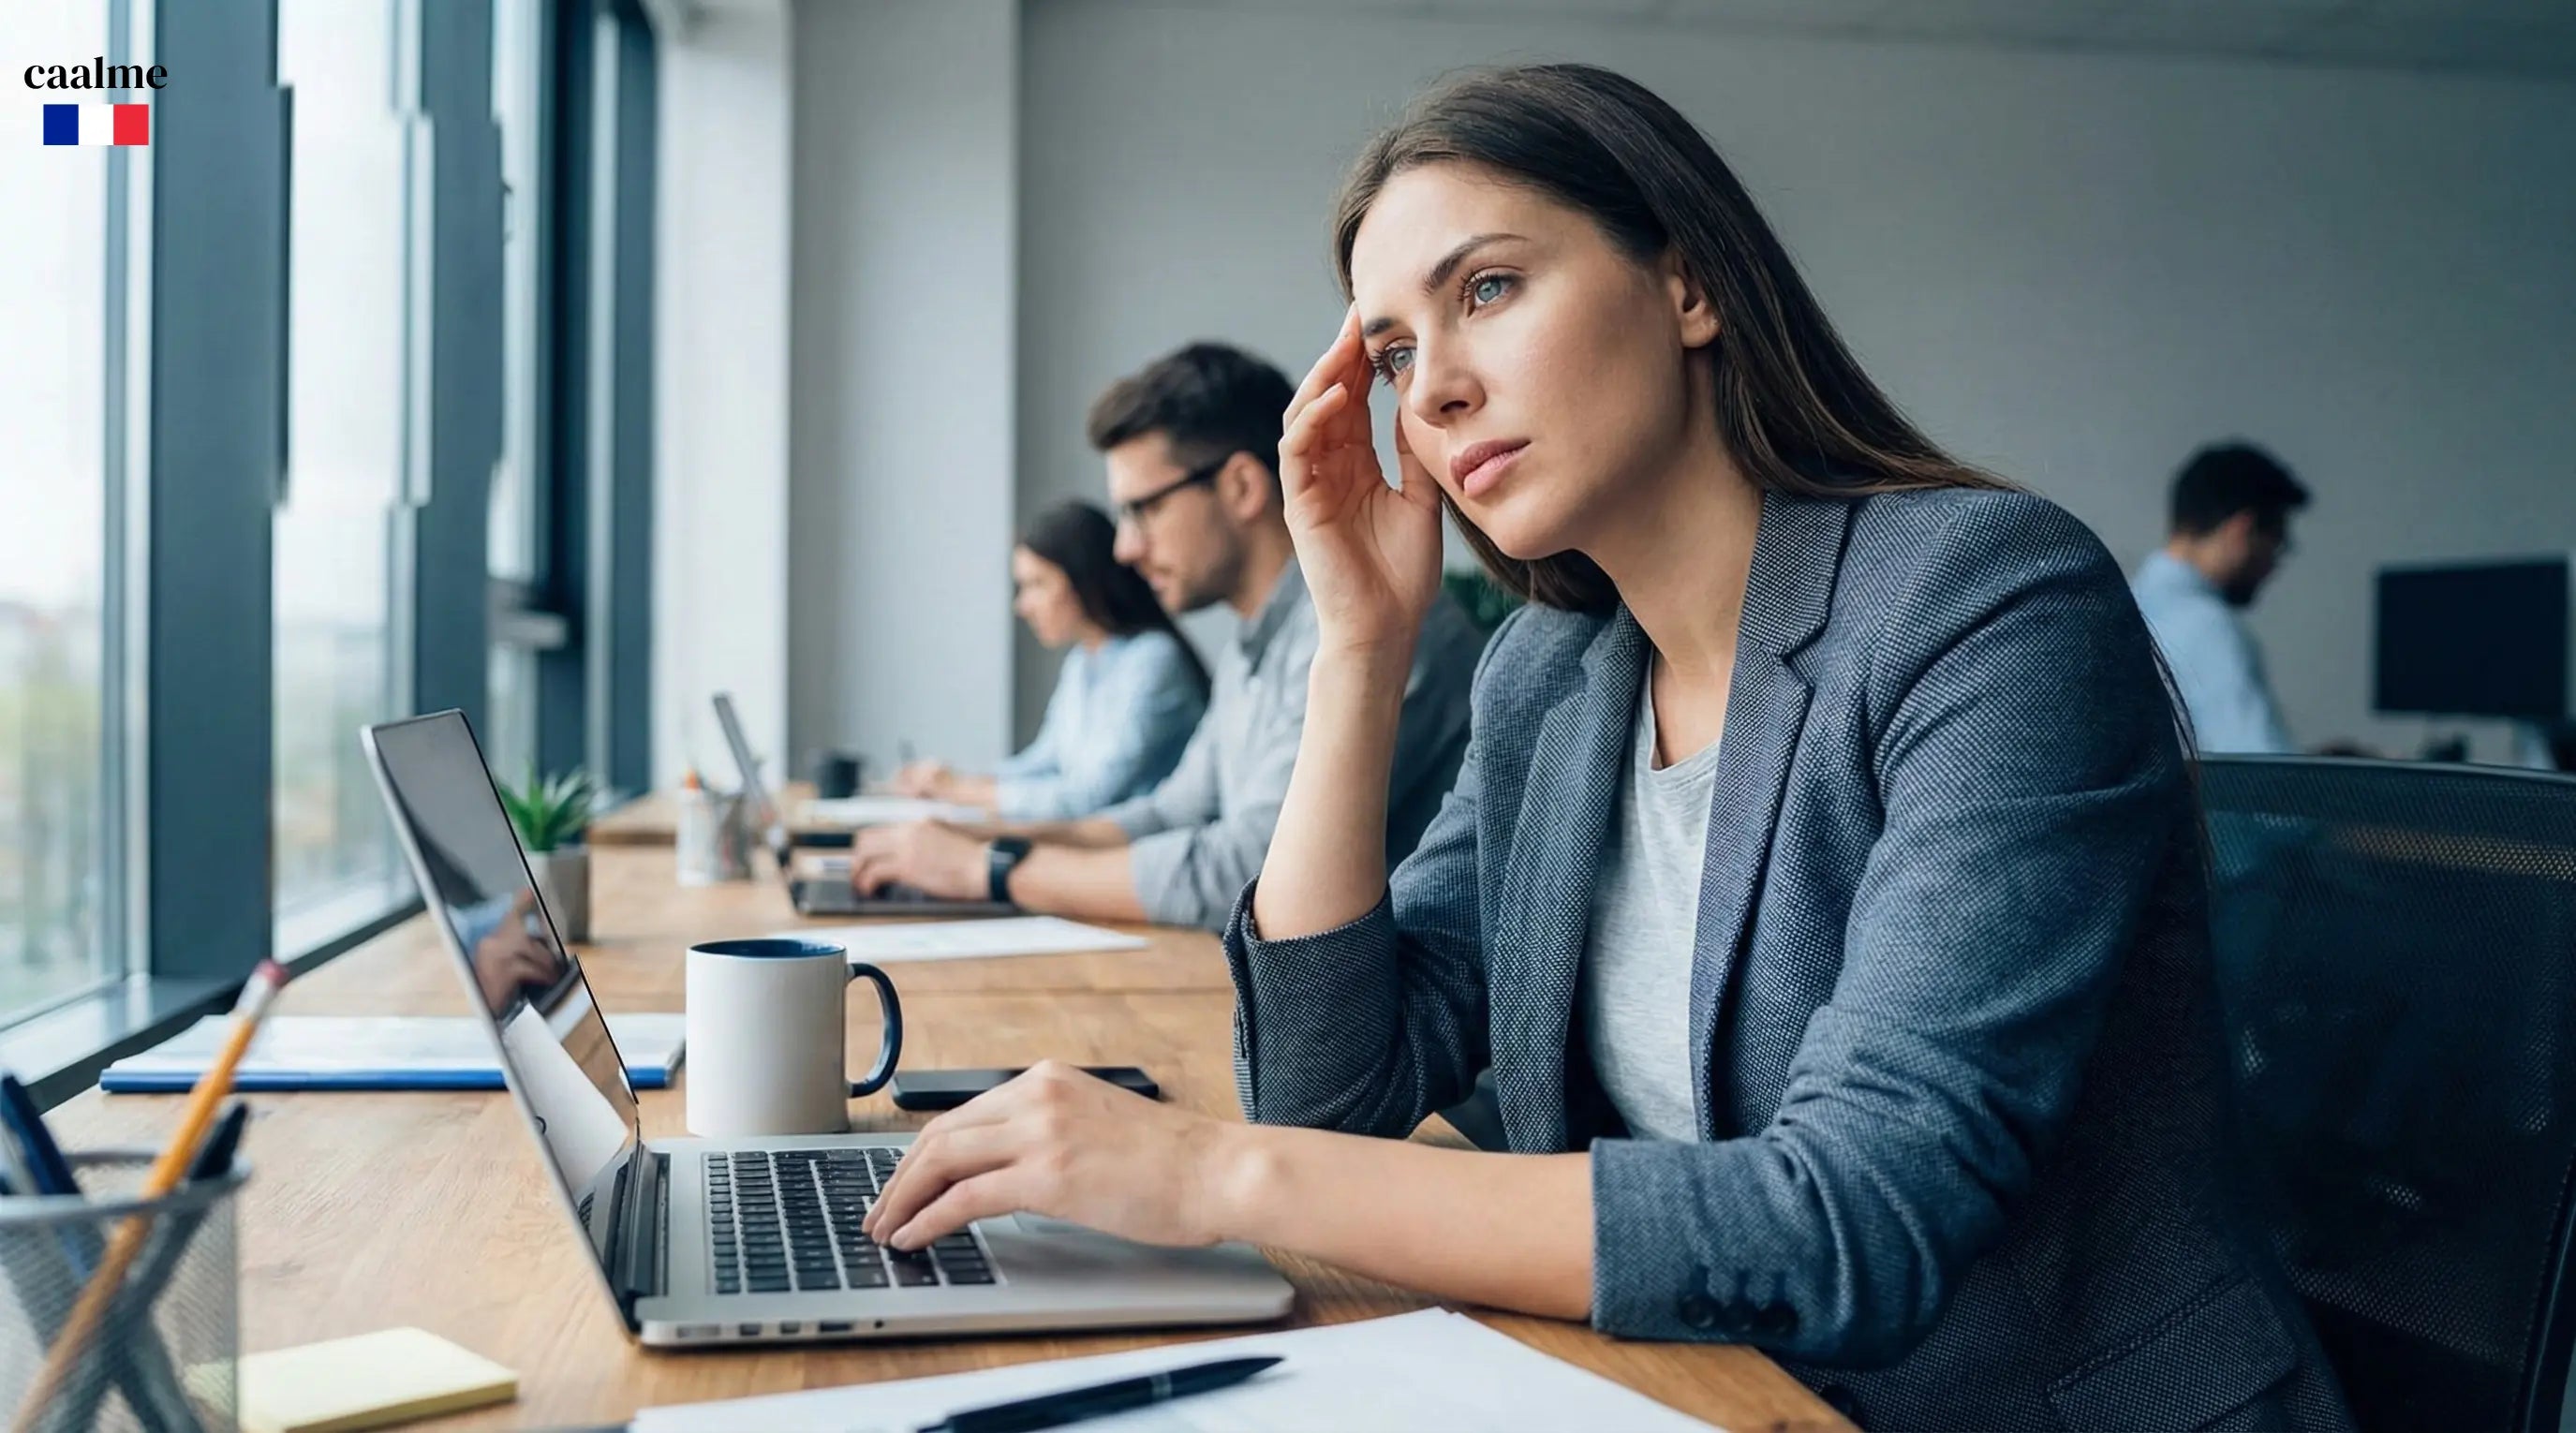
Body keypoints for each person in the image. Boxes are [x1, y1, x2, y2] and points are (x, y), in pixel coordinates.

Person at [859, 64, 2353, 1431]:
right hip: (1695, 1386)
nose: (1431, 387)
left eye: (1488, 289)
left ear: (1687, 281)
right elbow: (1329, 1087)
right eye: (1393, 350)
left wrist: (1208, 1174)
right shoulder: (1554, 673)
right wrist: (1360, 650)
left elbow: (1854, 1217)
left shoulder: (1985, 599)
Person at [848, 342, 1487, 931]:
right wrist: (993, 845)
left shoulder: (1379, 629)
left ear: (1239, 486)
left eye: (1143, 509)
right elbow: (1173, 811)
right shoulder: (1251, 643)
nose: (1124, 548)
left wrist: (990, 871)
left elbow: (1251, 869)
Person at [890, 501, 1209, 820]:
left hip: (1135, 855)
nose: (1023, 606)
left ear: (1084, 581)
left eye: (1037, 584)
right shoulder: (1082, 663)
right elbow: (1046, 763)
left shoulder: (1154, 661)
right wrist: (950, 781)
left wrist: (961, 791)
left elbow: (1089, 796)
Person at [2131, 442, 2310, 754]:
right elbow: (2264, 779)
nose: (2273, 566)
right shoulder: (2210, 629)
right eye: (2277, 543)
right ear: (2243, 530)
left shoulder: (2126, 603)